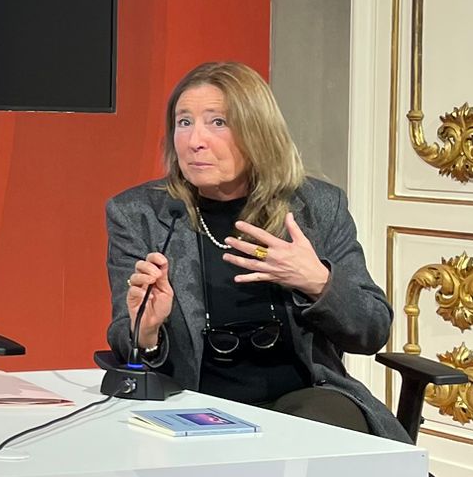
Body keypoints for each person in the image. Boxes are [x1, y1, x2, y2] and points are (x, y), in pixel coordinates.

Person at [106, 60, 406, 438]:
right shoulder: (139, 214)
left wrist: (317, 281)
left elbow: (371, 330)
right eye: (184, 122)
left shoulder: (316, 207)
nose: (194, 140)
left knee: (305, 436)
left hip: (308, 400)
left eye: (218, 122)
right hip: (194, 405)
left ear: (258, 132)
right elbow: (125, 339)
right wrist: (146, 332)